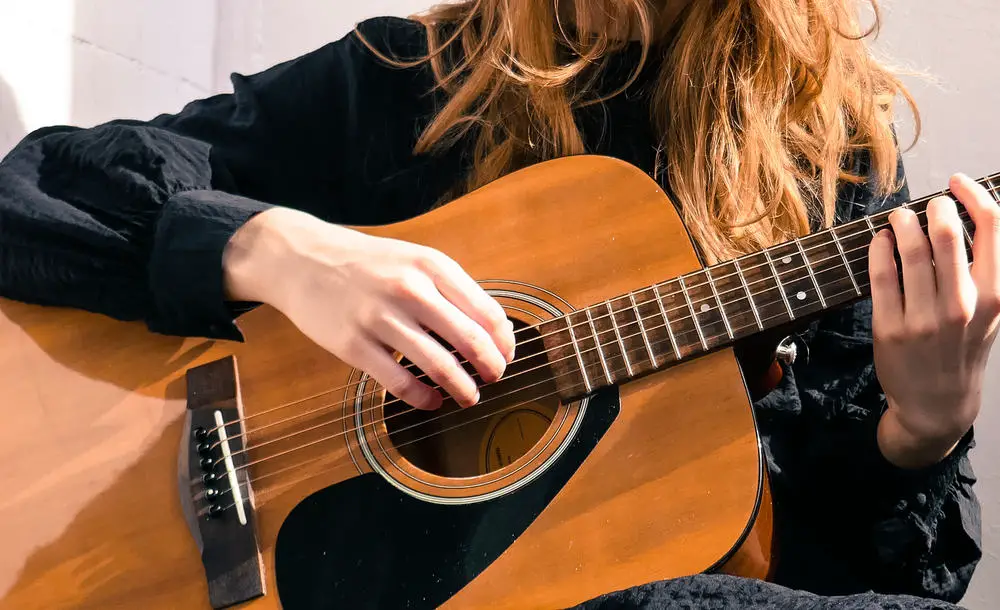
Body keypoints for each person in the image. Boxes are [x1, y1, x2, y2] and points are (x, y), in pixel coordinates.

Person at [0, 1, 993, 608]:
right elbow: (32, 198)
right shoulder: (409, 82)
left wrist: (920, 430)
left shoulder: (831, 164)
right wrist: (279, 250)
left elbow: (826, 578)